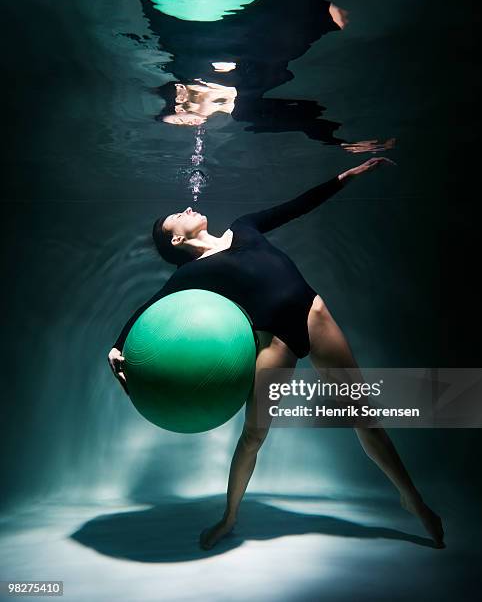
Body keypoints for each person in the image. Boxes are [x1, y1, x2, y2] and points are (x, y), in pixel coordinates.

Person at [107, 157, 445, 550]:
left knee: (363, 416)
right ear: (177, 240)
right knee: (253, 436)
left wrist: (344, 177)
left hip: (314, 316)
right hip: (275, 343)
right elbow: (152, 305)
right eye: (176, 217)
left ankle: (412, 499)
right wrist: (118, 345)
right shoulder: (191, 275)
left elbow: (295, 206)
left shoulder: (244, 227)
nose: (186, 209)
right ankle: (229, 517)